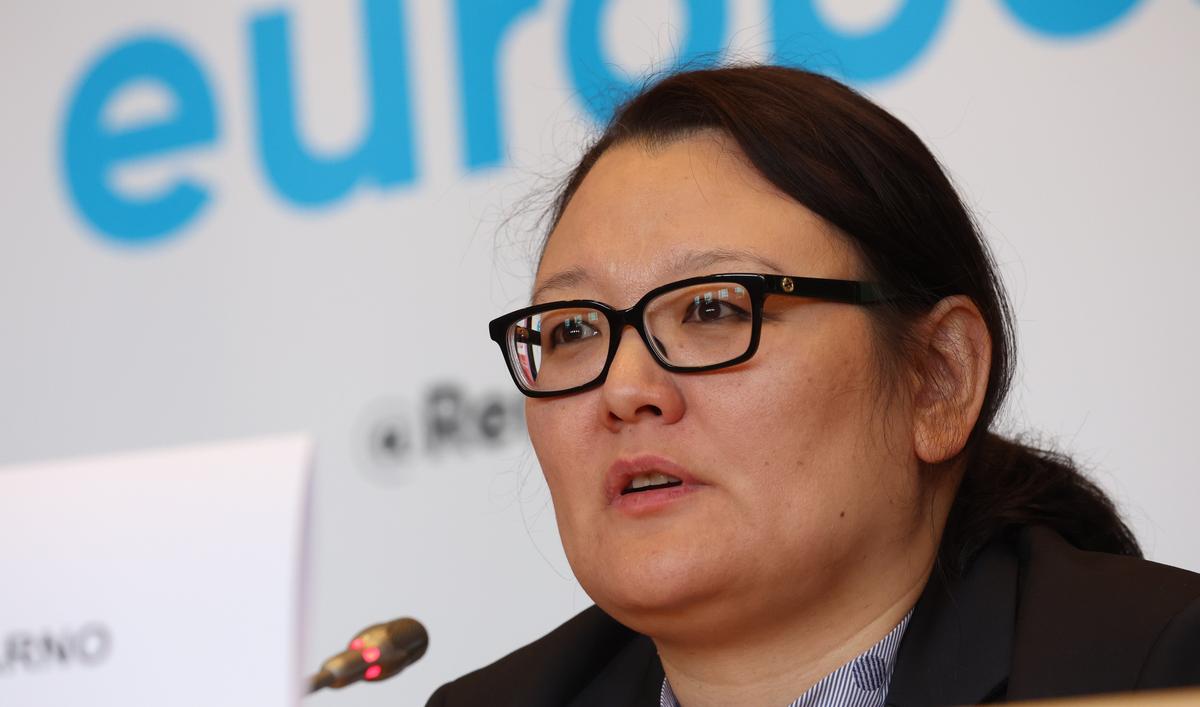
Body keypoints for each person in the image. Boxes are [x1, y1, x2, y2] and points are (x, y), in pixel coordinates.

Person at [426, 65, 1200, 707]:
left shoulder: (1151, 667)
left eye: (711, 308)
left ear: (938, 378)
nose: (625, 388)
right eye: (572, 331)